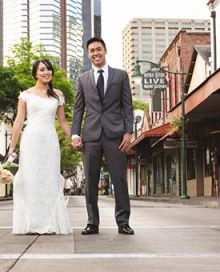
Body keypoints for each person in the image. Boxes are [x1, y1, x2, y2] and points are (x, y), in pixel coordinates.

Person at [71, 37, 134, 235]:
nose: (96, 53)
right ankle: (92, 222)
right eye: (92, 50)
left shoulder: (121, 76)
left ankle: (123, 222)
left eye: (99, 49)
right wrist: (75, 134)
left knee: (119, 179)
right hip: (90, 135)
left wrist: (128, 131)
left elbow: (127, 106)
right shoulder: (82, 79)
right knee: (90, 181)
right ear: (88, 54)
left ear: (105, 50)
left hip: (115, 134)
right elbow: (78, 109)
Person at [9, 59, 72, 235]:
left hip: (50, 141)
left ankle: (50, 222)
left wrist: (74, 137)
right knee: (31, 180)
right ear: (35, 73)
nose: (46, 72)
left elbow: (63, 121)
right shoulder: (26, 95)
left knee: (50, 179)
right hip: (30, 141)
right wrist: (11, 149)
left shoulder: (57, 95)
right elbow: (18, 122)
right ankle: (31, 223)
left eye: (49, 69)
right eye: (42, 70)